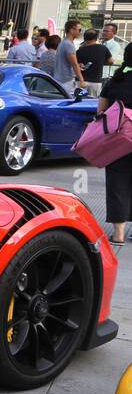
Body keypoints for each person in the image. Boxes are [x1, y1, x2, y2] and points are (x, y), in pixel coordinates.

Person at [98, 42, 132, 249]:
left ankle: (118, 234)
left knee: (117, 184)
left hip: (118, 139)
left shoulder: (115, 80)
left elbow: (100, 112)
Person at [77, 28, 113, 94]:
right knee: (92, 102)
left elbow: (75, 65)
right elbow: (111, 61)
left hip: (81, 81)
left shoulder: (79, 51)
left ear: (84, 38)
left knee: (79, 102)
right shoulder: (103, 48)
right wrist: (101, 62)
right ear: (96, 38)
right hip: (96, 82)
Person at [55, 19, 86, 94]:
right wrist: (81, 80)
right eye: (79, 30)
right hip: (66, 80)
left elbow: (70, 62)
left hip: (60, 78)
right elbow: (74, 64)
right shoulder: (68, 44)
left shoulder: (63, 43)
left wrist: (78, 65)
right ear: (71, 30)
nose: (80, 32)